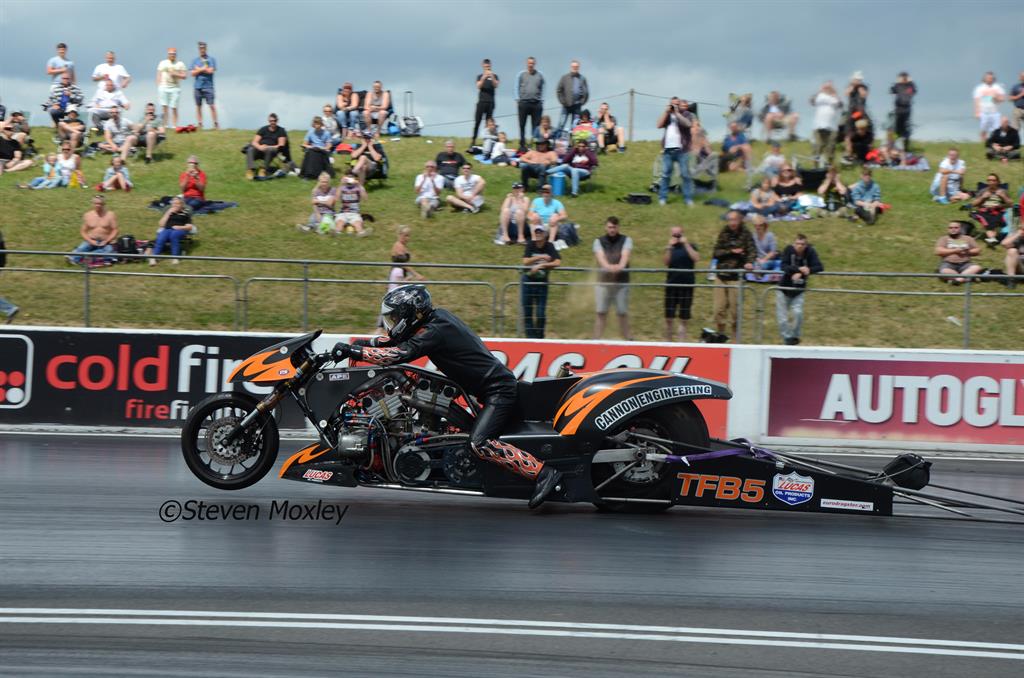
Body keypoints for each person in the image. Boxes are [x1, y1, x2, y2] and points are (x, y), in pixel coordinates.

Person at [332, 285, 565, 509]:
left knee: (478, 443)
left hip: (499, 391)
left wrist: (355, 351)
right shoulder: (435, 320)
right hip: (490, 389)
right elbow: (395, 341)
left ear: (409, 314)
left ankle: (544, 473)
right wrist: (365, 344)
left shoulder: (434, 331)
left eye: (394, 318)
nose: (391, 323)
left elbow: (398, 354)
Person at [711, 210, 755, 339]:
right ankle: (721, 335)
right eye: (729, 220)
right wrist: (731, 251)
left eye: (734, 220)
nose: (732, 223)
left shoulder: (746, 233)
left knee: (735, 310)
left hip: (736, 276)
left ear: (740, 220)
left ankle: (735, 339)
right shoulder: (724, 232)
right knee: (718, 309)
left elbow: (752, 251)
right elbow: (716, 253)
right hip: (721, 275)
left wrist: (749, 262)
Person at [776, 234, 824, 345]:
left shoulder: (810, 252)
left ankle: (795, 337)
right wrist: (798, 270)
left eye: (802, 244)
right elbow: (783, 266)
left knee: (798, 313)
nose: (800, 246)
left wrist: (808, 270)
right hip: (784, 288)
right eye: (797, 244)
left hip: (799, 290)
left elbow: (820, 266)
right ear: (794, 244)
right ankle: (787, 339)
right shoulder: (789, 250)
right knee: (782, 318)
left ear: (806, 245)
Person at [593, 217, 632, 341]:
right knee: (601, 312)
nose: (612, 230)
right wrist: (609, 267)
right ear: (606, 227)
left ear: (618, 227)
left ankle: (628, 340)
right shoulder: (598, 241)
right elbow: (600, 258)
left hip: (621, 282)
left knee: (622, 312)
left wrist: (620, 266)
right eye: (610, 227)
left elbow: (625, 255)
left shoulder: (627, 240)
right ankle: (596, 340)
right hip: (603, 283)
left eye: (614, 227)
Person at [521, 225, 561, 339]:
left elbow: (557, 262)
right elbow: (525, 261)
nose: (538, 234)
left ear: (545, 234)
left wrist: (541, 265)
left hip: (542, 282)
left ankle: (539, 337)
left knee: (540, 312)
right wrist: (540, 257)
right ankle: (530, 338)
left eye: (540, 232)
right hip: (528, 281)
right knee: (527, 311)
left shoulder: (549, 246)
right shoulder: (530, 244)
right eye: (536, 232)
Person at [663, 225, 699, 342]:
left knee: (684, 317)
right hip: (671, 284)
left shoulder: (691, 245)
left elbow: (696, 258)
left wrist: (686, 244)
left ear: (683, 234)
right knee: (669, 316)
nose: (676, 236)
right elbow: (666, 262)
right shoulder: (670, 248)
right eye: (674, 234)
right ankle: (668, 341)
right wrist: (669, 247)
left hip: (687, 284)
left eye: (678, 234)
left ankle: (681, 342)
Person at [657, 97, 695, 206]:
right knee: (665, 175)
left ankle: (688, 199)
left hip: (682, 150)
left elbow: (688, 124)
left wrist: (677, 113)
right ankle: (662, 198)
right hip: (667, 150)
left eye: (677, 104)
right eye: (672, 104)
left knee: (685, 175)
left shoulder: (686, 114)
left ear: (680, 105)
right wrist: (666, 112)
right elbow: (658, 125)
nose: (674, 106)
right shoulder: (667, 115)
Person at [69, 194, 118, 265]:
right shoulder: (88, 215)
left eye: (100, 204)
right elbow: (83, 231)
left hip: (106, 242)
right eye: (96, 203)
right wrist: (91, 241)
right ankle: (75, 258)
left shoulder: (110, 215)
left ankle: (88, 256)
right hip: (91, 240)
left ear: (104, 204)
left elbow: (115, 230)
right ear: (93, 204)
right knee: (81, 249)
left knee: (109, 251)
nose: (98, 205)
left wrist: (107, 241)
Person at [147, 196, 194, 265]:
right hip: (167, 229)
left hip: (179, 230)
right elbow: (161, 224)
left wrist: (179, 227)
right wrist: (168, 213)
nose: (175, 205)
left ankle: (175, 257)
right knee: (161, 237)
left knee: (174, 235)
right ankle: (154, 257)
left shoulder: (185, 214)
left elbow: (189, 227)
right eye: (174, 203)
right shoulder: (169, 213)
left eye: (177, 203)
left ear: (181, 205)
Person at [245, 113, 291, 180]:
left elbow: (281, 145)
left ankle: (263, 170)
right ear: (268, 121)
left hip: (272, 150)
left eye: (274, 121)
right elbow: (254, 142)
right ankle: (250, 170)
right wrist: (260, 147)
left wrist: (268, 147)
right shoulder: (263, 129)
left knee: (269, 150)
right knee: (250, 149)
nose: (273, 122)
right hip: (260, 149)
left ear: (277, 121)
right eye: (271, 121)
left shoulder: (281, 130)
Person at [970, 173, 1012, 246]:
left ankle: (992, 238)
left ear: (998, 182)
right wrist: (983, 197)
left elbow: (1010, 204)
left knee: (995, 219)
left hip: (997, 211)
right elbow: (973, 204)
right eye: (989, 180)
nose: (991, 182)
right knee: (988, 219)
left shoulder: (1002, 191)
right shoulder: (983, 191)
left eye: (993, 180)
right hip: (983, 211)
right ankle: (993, 238)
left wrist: (1003, 197)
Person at [935, 221, 982, 285]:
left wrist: (967, 252)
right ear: (948, 229)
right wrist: (955, 251)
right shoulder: (944, 239)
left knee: (977, 267)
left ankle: (957, 280)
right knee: (944, 271)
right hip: (949, 264)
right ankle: (965, 277)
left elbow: (977, 250)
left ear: (960, 229)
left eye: (956, 228)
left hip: (965, 264)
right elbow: (938, 251)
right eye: (951, 228)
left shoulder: (968, 238)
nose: (953, 229)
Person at [516, 56, 545, 150]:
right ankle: (522, 145)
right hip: (523, 103)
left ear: (535, 64)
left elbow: (544, 87)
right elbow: (516, 87)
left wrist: (542, 100)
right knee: (522, 125)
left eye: (532, 63)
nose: (531, 65)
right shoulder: (521, 74)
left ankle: (533, 144)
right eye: (529, 63)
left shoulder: (540, 75)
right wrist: (518, 99)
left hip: (536, 104)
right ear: (527, 63)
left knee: (536, 127)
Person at [810, 81, 842, 162]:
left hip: (832, 126)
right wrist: (820, 91)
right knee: (818, 146)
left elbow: (840, 105)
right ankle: (815, 165)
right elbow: (812, 101)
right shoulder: (819, 96)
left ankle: (830, 165)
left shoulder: (835, 98)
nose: (827, 89)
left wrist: (835, 93)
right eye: (826, 87)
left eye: (829, 87)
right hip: (819, 126)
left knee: (831, 147)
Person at [155, 47, 187, 127]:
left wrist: (175, 74)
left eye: (173, 54)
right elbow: (158, 74)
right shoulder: (163, 63)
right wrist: (159, 85)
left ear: (176, 55)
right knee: (164, 107)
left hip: (175, 87)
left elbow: (184, 76)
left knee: (174, 107)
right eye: (170, 54)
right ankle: (165, 125)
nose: (172, 55)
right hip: (164, 87)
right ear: (168, 54)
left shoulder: (180, 64)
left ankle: (174, 125)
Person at [471, 59, 499, 147]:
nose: (487, 68)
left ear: (491, 66)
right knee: (477, 122)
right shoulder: (479, 76)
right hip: (481, 102)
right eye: (486, 66)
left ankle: (487, 141)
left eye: (489, 66)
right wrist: (484, 77)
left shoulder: (495, 76)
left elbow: (496, 85)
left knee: (488, 123)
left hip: (491, 102)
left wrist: (491, 76)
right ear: (483, 66)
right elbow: (478, 86)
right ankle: (473, 140)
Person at [190, 41, 218, 130]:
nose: (202, 50)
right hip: (197, 86)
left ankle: (215, 124)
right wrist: (204, 68)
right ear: (199, 49)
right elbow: (192, 73)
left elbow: (211, 71)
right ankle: (200, 124)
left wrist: (198, 69)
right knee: (198, 106)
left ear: (206, 48)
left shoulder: (211, 59)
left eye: (203, 48)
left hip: (208, 86)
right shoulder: (195, 60)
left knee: (212, 105)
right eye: (200, 48)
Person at [973, 72, 1006, 144]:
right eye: (988, 78)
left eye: (991, 78)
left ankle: (995, 143)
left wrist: (996, 98)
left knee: (996, 129)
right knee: (984, 129)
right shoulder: (979, 88)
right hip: (983, 112)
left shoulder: (997, 88)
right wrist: (977, 112)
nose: (989, 79)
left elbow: (1002, 99)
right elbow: (976, 100)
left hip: (994, 112)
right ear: (984, 78)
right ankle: (983, 143)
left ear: (993, 79)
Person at [556, 60, 589, 132]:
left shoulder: (582, 78)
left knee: (575, 126)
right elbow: (559, 90)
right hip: (566, 106)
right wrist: (563, 101)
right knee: (561, 124)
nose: (575, 68)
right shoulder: (564, 77)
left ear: (579, 67)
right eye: (573, 66)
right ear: (571, 67)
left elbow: (586, 92)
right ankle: (557, 138)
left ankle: (573, 139)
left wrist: (582, 102)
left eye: (576, 67)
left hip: (577, 106)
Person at [334, 172, 370, 236]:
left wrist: (359, 185)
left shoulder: (357, 188)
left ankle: (361, 232)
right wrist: (341, 184)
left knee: (358, 223)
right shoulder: (342, 188)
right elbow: (336, 198)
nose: (349, 179)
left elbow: (365, 198)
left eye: (351, 177)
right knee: (340, 222)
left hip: (354, 213)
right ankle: (337, 232)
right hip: (343, 213)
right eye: (348, 177)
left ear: (355, 179)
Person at [889, 72, 916, 150]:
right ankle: (894, 146)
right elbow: (892, 90)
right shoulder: (898, 85)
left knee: (906, 129)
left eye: (905, 77)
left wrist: (911, 82)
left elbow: (914, 91)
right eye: (902, 77)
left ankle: (905, 147)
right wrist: (897, 82)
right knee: (897, 129)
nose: (904, 79)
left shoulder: (910, 86)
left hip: (907, 110)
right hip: (898, 109)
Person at [1001, 223, 1024, 288]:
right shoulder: (1017, 236)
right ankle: (1011, 279)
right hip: (1020, 266)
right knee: (1012, 251)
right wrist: (1018, 234)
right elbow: (1004, 244)